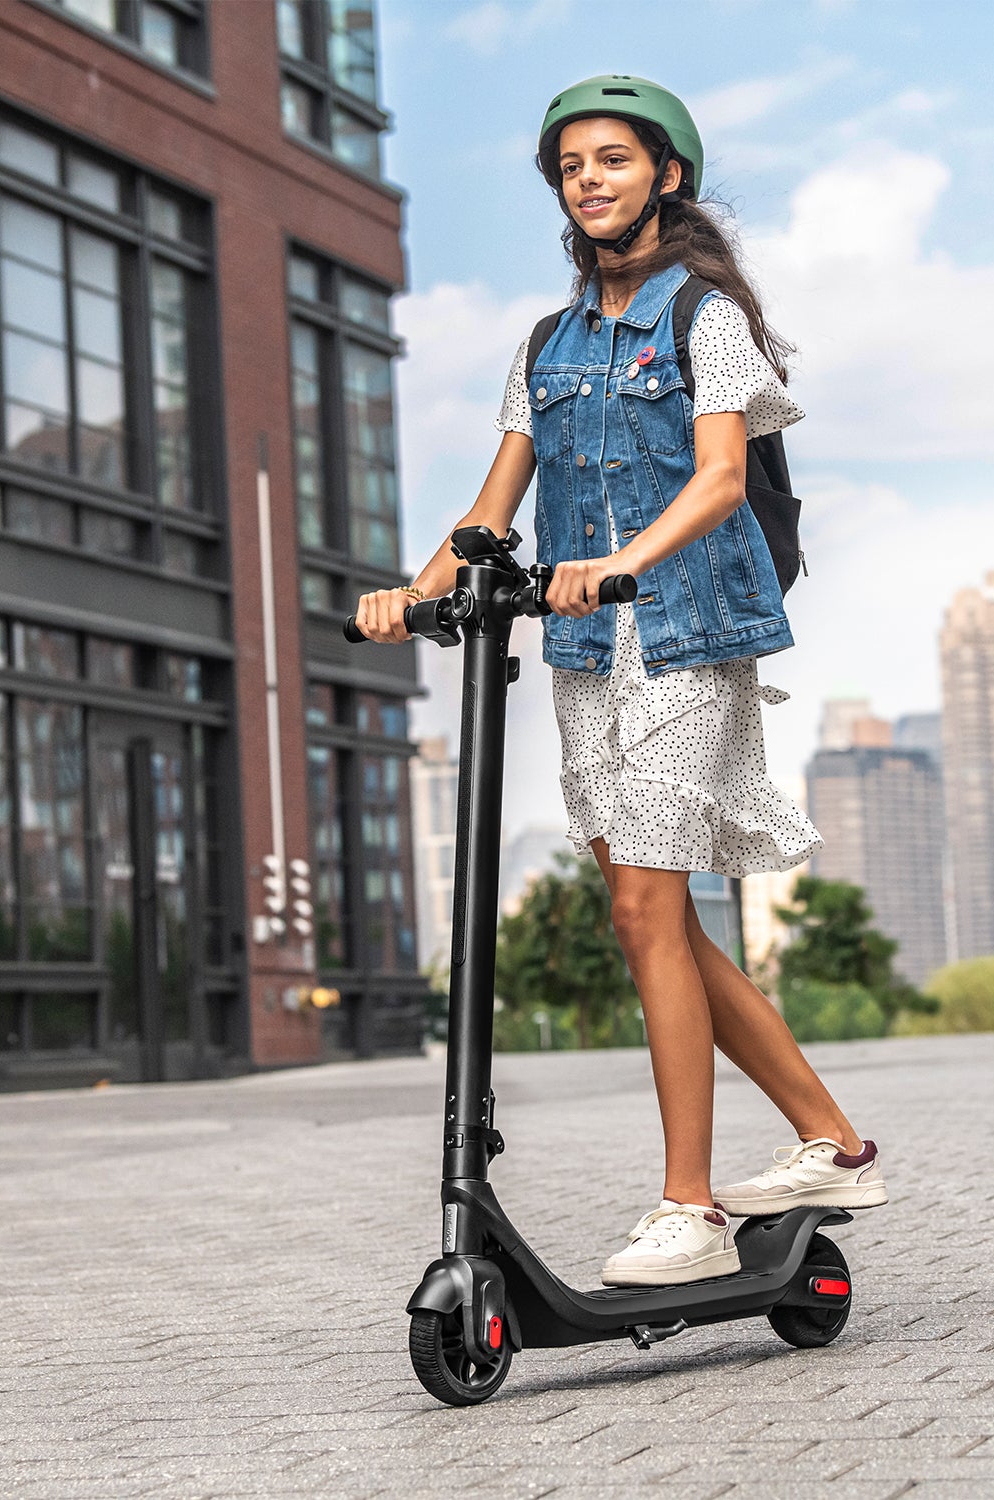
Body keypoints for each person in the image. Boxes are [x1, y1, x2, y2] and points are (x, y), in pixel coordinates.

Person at [355, 75, 886, 1287]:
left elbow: (715, 479)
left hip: (686, 632)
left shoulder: (705, 319)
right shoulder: (543, 346)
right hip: (586, 650)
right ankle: (835, 1144)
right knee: (647, 916)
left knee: (653, 909)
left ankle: (688, 1207)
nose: (589, 179)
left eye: (613, 160)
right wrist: (411, 592)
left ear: (668, 178)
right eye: (572, 166)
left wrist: (619, 562)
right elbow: (491, 514)